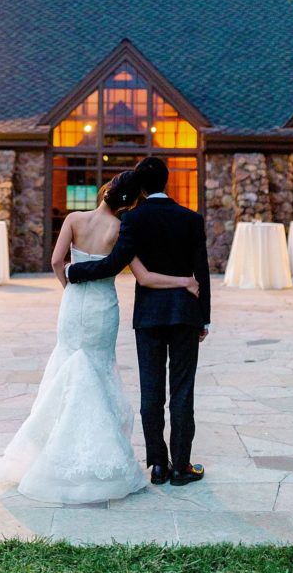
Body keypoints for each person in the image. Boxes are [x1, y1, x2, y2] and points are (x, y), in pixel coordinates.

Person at [0, 170, 200, 503]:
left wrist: (69, 289)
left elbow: (57, 260)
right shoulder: (122, 229)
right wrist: (184, 282)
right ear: (131, 201)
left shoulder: (74, 219)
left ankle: (50, 447)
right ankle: (97, 452)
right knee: (98, 371)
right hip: (103, 307)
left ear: (105, 191)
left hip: (73, 304)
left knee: (67, 365)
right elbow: (144, 277)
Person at [64, 156, 211, 488]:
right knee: (183, 390)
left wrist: (76, 271)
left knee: (151, 390)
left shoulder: (133, 218)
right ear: (166, 181)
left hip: (148, 316)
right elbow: (201, 271)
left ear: (141, 187)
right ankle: (182, 467)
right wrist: (204, 318)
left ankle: (158, 465)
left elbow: (114, 263)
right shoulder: (191, 218)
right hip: (186, 312)